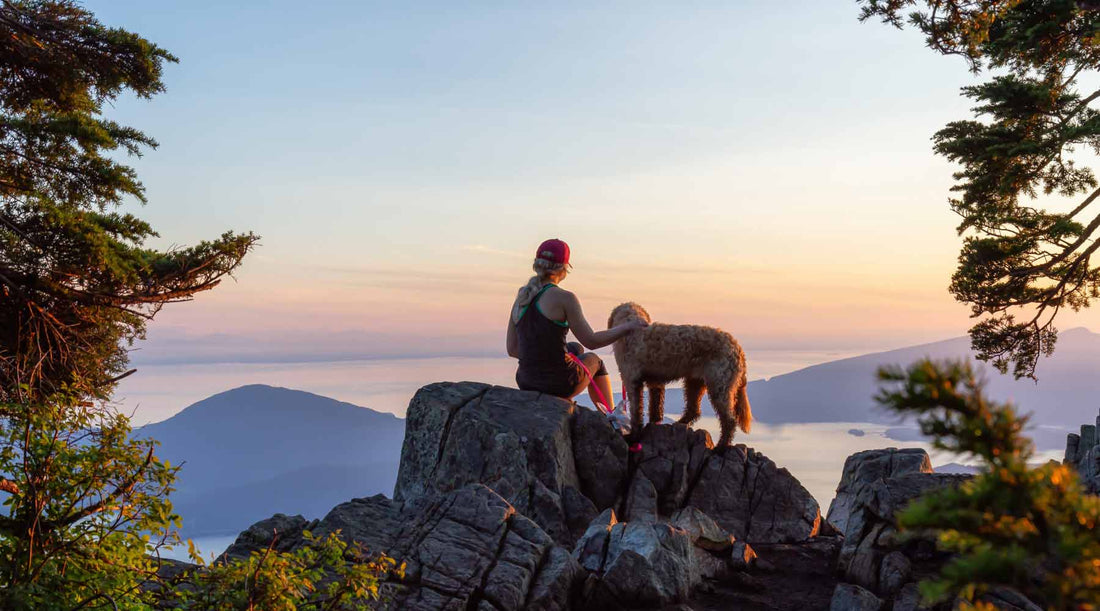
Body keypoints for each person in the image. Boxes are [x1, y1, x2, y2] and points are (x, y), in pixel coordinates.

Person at [506, 238, 647, 407]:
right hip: (560, 383)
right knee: (595, 361)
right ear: (564, 268)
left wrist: (539, 360)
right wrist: (626, 328)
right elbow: (592, 341)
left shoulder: (522, 296)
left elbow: (512, 349)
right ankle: (609, 418)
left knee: (576, 349)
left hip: (526, 380)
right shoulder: (565, 298)